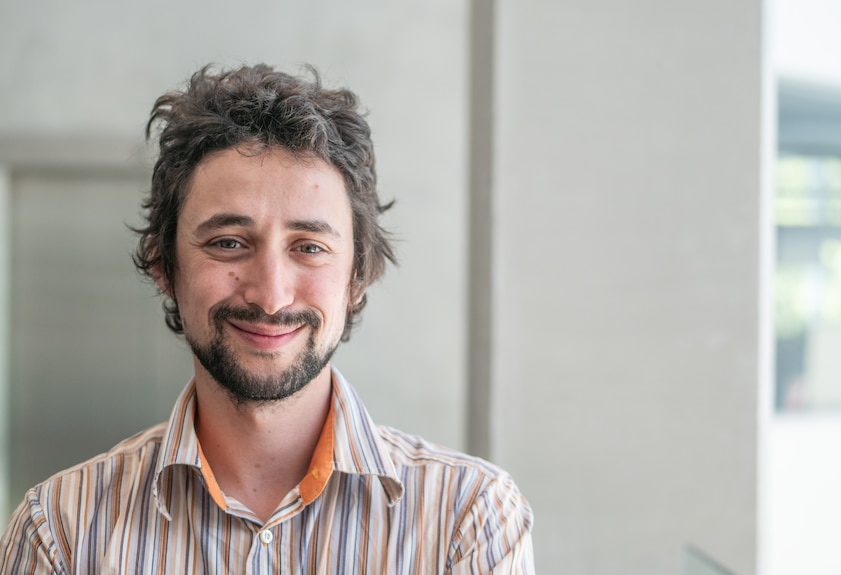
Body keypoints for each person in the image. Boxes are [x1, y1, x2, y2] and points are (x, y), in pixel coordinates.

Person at [0, 64, 534, 573]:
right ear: (165, 266)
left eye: (309, 247)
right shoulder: (61, 531)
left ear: (358, 275)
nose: (272, 296)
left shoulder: (469, 519)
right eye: (229, 243)